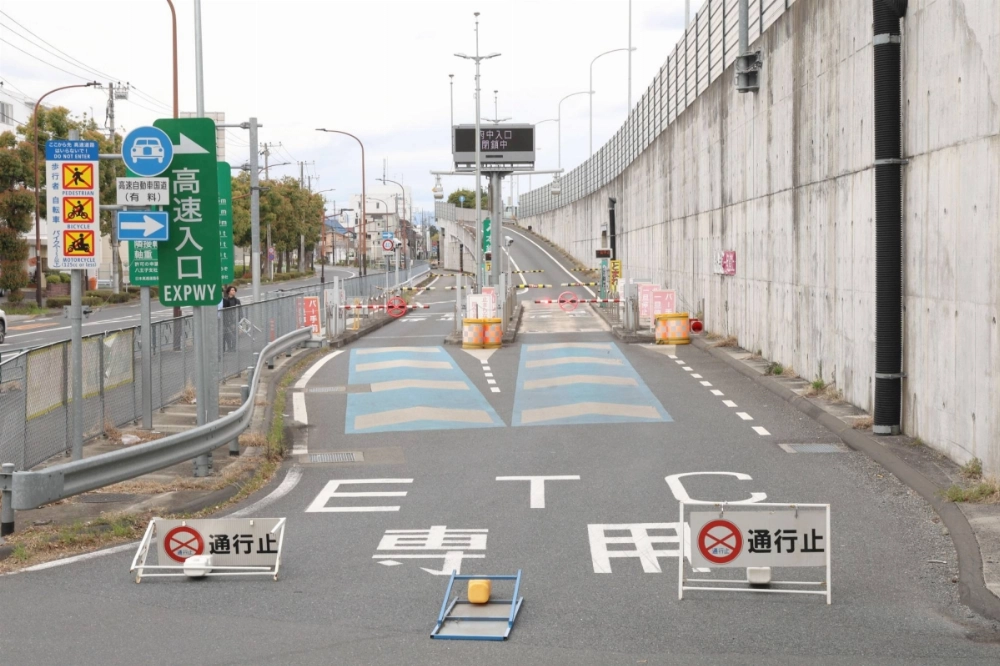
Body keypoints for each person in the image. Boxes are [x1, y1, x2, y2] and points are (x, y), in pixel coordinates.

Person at [221, 285, 241, 352]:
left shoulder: (237, 301)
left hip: (234, 321)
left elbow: (240, 311)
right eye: (232, 290)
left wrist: (239, 321)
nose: (233, 291)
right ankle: (229, 347)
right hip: (226, 321)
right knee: (227, 335)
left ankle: (233, 348)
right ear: (228, 291)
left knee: (234, 335)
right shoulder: (225, 300)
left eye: (234, 290)